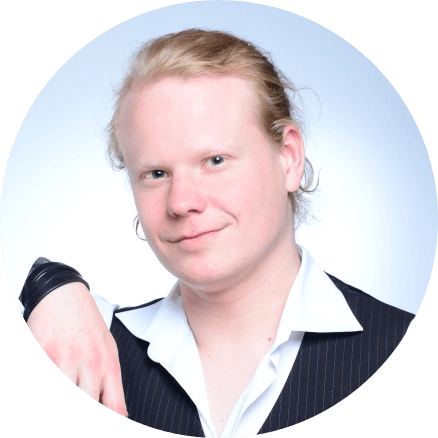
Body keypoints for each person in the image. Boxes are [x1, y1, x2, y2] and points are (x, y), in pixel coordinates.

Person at [20, 29, 414, 438]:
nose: (181, 202)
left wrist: (51, 287)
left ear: (289, 159)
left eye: (215, 160)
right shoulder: (89, 345)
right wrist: (50, 287)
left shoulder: (405, 347)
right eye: (156, 173)